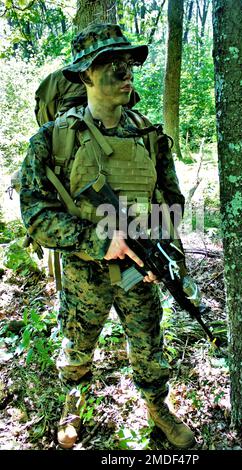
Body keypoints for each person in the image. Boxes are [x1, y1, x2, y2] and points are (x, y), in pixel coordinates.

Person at [20, 23, 195, 450]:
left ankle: (157, 406)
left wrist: (163, 254)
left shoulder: (149, 136)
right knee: (78, 345)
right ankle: (73, 400)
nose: (124, 72)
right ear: (85, 75)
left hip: (139, 271)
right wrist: (100, 242)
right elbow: (36, 215)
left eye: (128, 62)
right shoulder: (51, 141)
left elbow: (171, 202)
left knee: (150, 349)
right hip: (85, 274)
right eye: (110, 64)